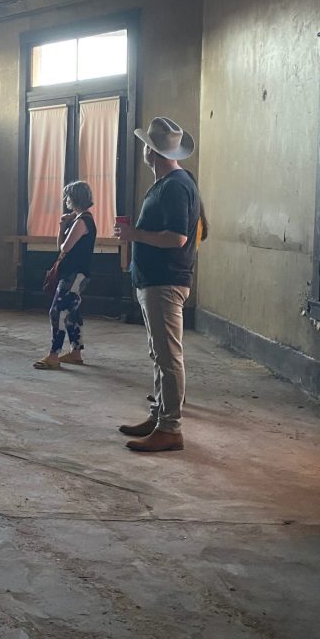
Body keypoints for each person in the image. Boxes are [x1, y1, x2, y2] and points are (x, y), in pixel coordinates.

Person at [114, 116, 202, 453]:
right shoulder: (171, 183)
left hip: (165, 282)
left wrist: (135, 235)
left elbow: (177, 237)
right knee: (160, 353)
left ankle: (170, 428)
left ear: (152, 152)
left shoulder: (176, 186)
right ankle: (160, 414)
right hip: (155, 280)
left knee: (168, 356)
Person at [34, 181, 97, 371]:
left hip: (74, 275)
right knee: (71, 312)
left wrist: (65, 227)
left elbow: (64, 248)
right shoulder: (79, 220)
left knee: (57, 311)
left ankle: (54, 355)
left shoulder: (82, 221)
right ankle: (76, 353)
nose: (65, 200)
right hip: (75, 273)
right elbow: (60, 248)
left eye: (67, 196)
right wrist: (63, 226)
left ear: (74, 198)